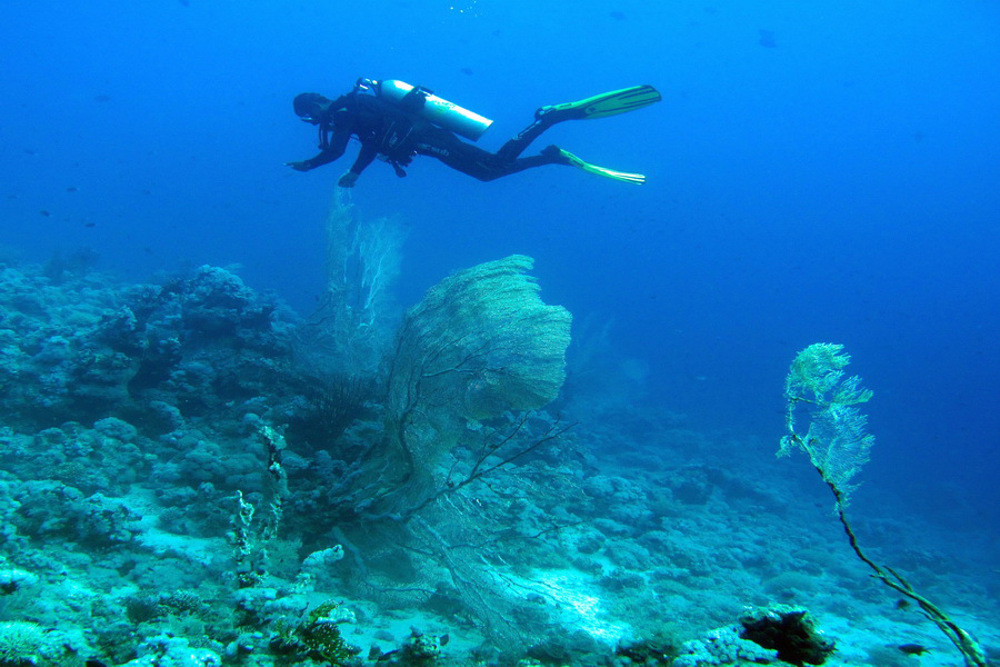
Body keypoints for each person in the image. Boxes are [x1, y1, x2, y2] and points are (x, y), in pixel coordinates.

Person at [287, 79, 661, 187]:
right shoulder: (356, 111)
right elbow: (372, 142)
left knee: (493, 165)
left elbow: (336, 151)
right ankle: (552, 156)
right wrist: (356, 173)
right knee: (487, 174)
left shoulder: (345, 111)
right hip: (423, 141)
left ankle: (550, 119)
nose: (316, 122)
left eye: (310, 116)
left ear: (314, 107)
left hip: (427, 138)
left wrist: (309, 164)